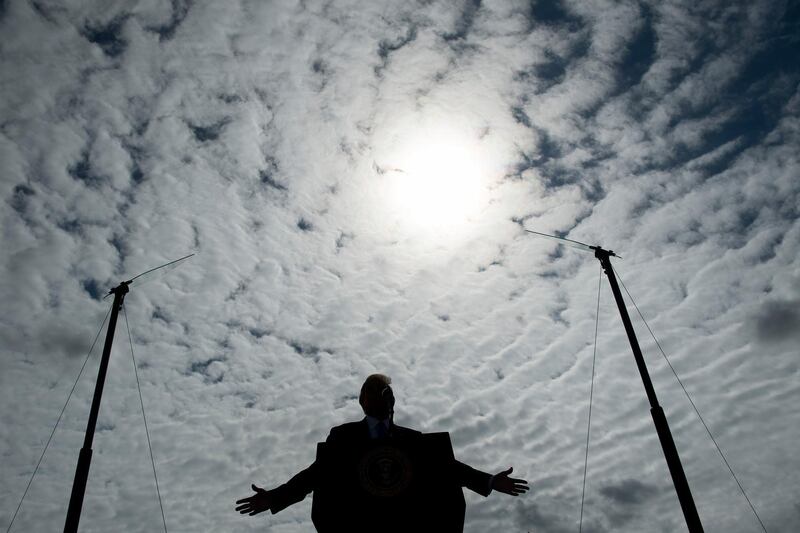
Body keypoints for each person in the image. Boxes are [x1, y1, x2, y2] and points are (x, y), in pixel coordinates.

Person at [235, 374, 529, 519]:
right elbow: (316, 475)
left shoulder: (414, 439)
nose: (382, 395)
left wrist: (490, 481)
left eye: (387, 392)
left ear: (393, 402)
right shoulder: (343, 436)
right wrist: (274, 497)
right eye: (373, 390)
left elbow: (449, 469)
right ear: (362, 400)